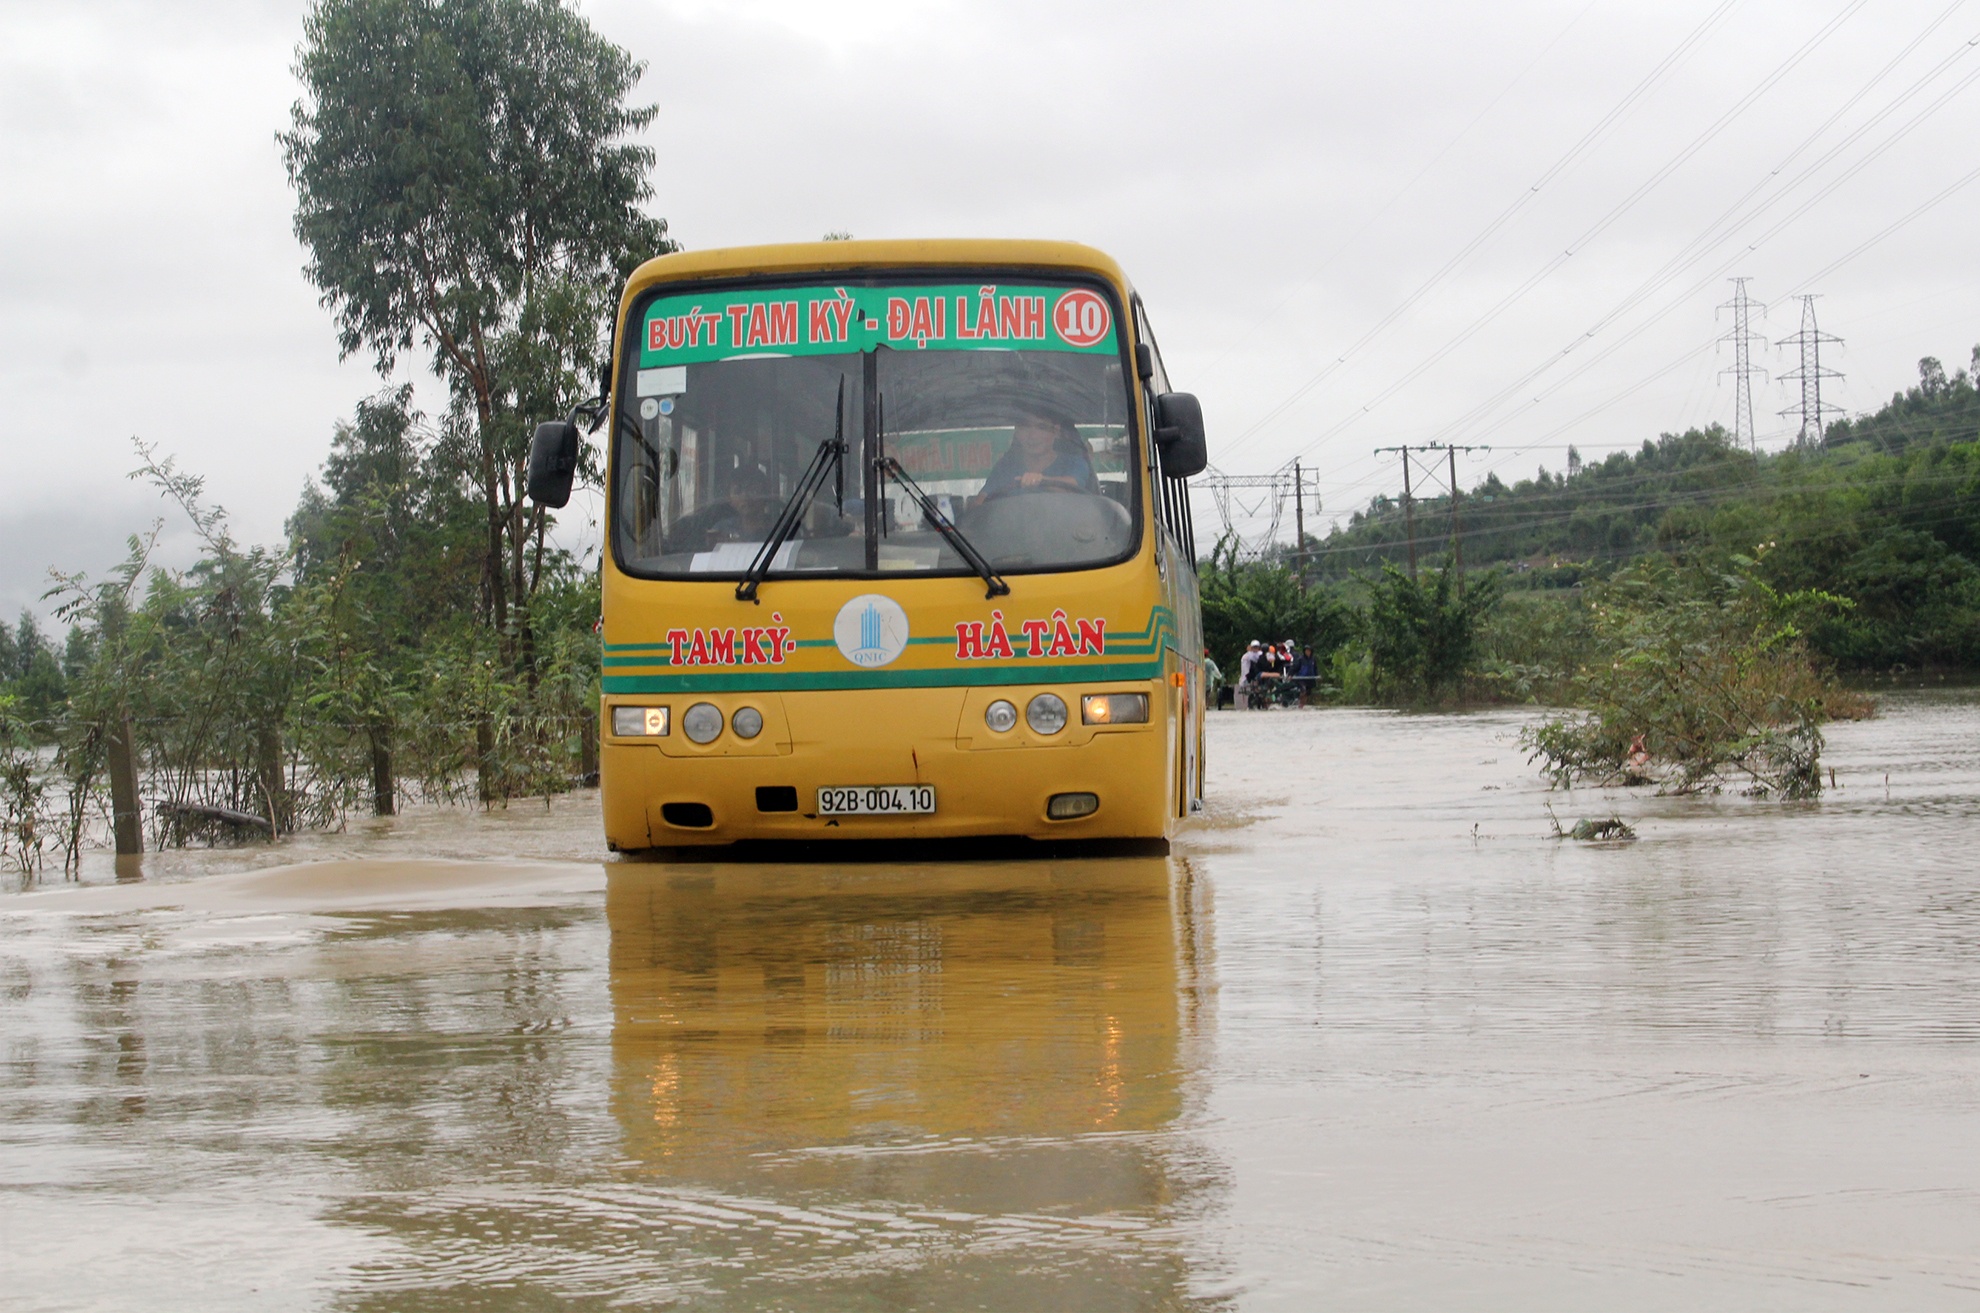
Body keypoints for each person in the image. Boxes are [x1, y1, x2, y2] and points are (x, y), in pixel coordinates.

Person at [979, 405, 1098, 499]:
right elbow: (979, 504)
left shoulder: (1074, 463)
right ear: (1017, 431)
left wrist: (1042, 481)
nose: (1032, 436)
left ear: (1055, 431)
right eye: (1025, 427)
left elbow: (1072, 487)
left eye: (1042, 427)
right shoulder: (1005, 467)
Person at [1236, 639, 1263, 710]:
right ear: (1251, 647)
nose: (1255, 648)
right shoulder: (1247, 656)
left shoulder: (1260, 654)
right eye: (1254, 647)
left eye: (1256, 647)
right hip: (1248, 675)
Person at [1202, 646, 1227, 711]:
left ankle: (1202, 705)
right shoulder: (1210, 663)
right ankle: (1206, 706)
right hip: (1208, 682)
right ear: (1208, 655)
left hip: (1199, 682)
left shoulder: (1199, 662)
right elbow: (1216, 672)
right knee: (1207, 694)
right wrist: (1220, 677)